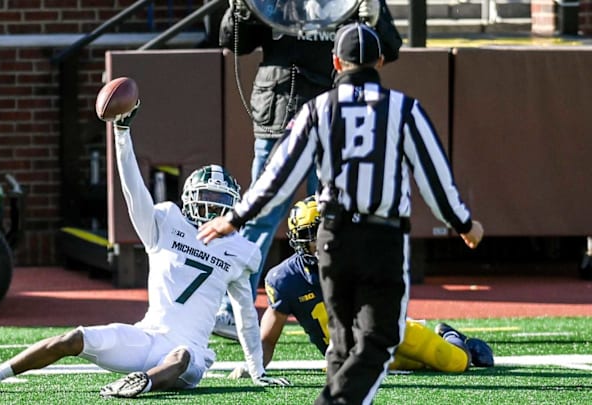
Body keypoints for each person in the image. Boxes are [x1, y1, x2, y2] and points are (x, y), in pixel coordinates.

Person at [197, 22, 484, 404]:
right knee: (378, 340)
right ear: (380, 61)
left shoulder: (318, 110)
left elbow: (277, 177)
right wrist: (463, 223)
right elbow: (434, 177)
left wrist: (235, 218)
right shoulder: (403, 109)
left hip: (332, 239)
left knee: (344, 344)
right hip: (381, 238)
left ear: (336, 61)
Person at [0, 102, 291, 397]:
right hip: (146, 336)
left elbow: (246, 316)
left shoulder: (241, 249)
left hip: (192, 353)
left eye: (221, 204)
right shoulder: (167, 221)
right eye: (207, 201)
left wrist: (256, 370)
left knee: (182, 355)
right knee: (73, 338)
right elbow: (133, 191)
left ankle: (142, 383)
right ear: (189, 198)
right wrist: (121, 133)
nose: (213, 211)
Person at [213, 0, 403, 340]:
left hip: (333, 115)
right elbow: (233, 42)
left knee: (334, 217)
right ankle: (231, 310)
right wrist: (240, 8)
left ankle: (347, 309)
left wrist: (373, 15)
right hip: (280, 111)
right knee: (259, 218)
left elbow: (388, 48)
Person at [229, 197, 493, 380]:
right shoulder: (284, 279)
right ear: (300, 241)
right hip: (352, 356)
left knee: (456, 363)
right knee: (418, 366)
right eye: (316, 235)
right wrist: (252, 364)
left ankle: (452, 337)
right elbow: (267, 341)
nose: (326, 241)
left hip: (391, 333)